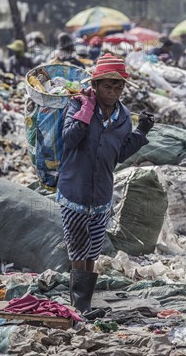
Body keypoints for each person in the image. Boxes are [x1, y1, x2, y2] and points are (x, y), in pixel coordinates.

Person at [57, 54, 154, 315]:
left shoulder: (123, 116)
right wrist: (86, 111)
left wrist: (141, 133)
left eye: (118, 87)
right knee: (77, 246)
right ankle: (79, 306)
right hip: (74, 188)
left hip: (101, 193)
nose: (113, 92)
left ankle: (84, 303)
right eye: (107, 86)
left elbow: (119, 154)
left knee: (92, 249)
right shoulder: (77, 105)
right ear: (96, 85)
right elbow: (69, 139)